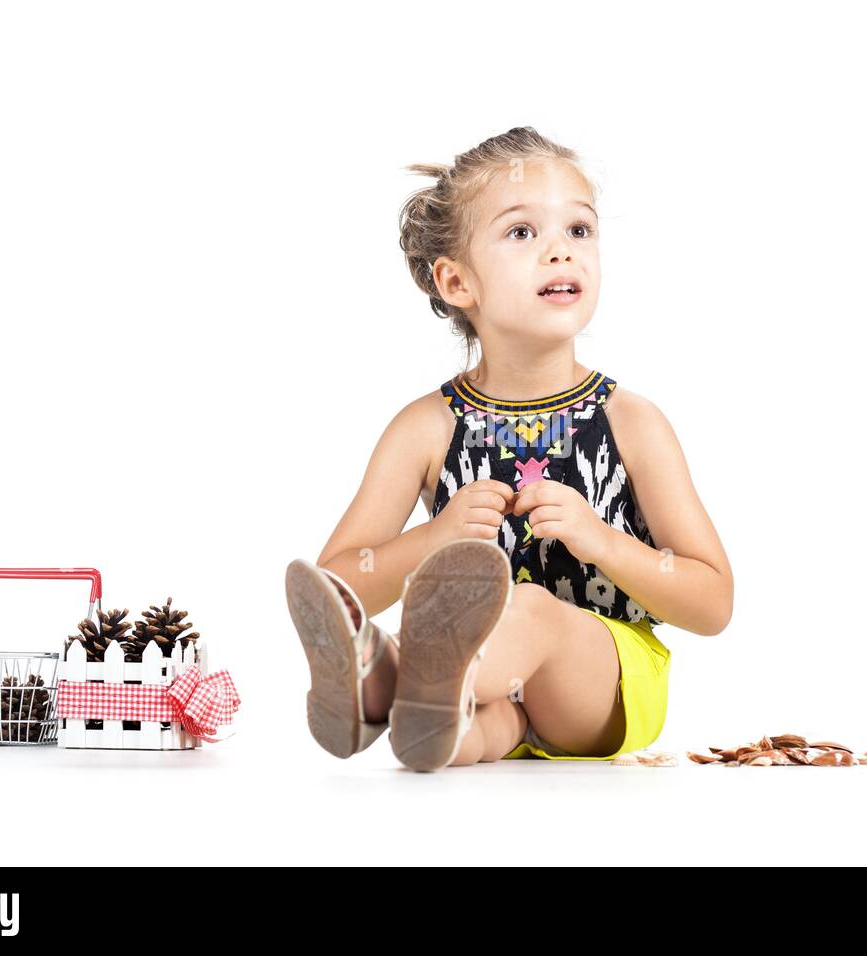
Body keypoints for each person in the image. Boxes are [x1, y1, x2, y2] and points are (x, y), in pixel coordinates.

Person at [286, 126, 733, 772]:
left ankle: (387, 679)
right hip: (498, 693)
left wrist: (601, 540)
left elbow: (713, 600)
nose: (560, 252)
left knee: (532, 611)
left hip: (604, 682)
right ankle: (427, 718)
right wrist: (432, 536)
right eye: (523, 233)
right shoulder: (426, 427)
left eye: (579, 231)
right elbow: (339, 585)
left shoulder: (631, 422)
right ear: (457, 281)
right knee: (467, 734)